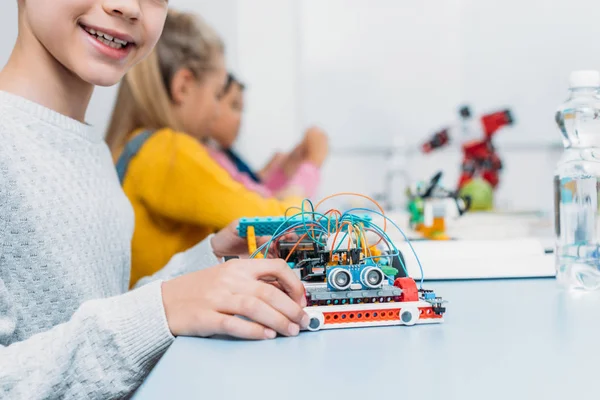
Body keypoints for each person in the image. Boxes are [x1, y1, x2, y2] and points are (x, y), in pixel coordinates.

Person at [0, 3, 308, 399]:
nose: (128, 6)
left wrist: (209, 260)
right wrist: (160, 309)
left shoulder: (87, 148)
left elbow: (94, 313)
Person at [104, 12, 315, 287]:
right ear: (183, 86)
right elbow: (278, 220)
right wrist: (308, 171)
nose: (218, 111)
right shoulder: (169, 152)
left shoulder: (136, 145)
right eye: (217, 95)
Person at [206, 73, 329, 199]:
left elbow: (260, 197)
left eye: (241, 109)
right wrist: (312, 164)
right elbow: (262, 209)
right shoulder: (212, 162)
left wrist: (284, 171)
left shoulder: (224, 156)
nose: (240, 119)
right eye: (235, 106)